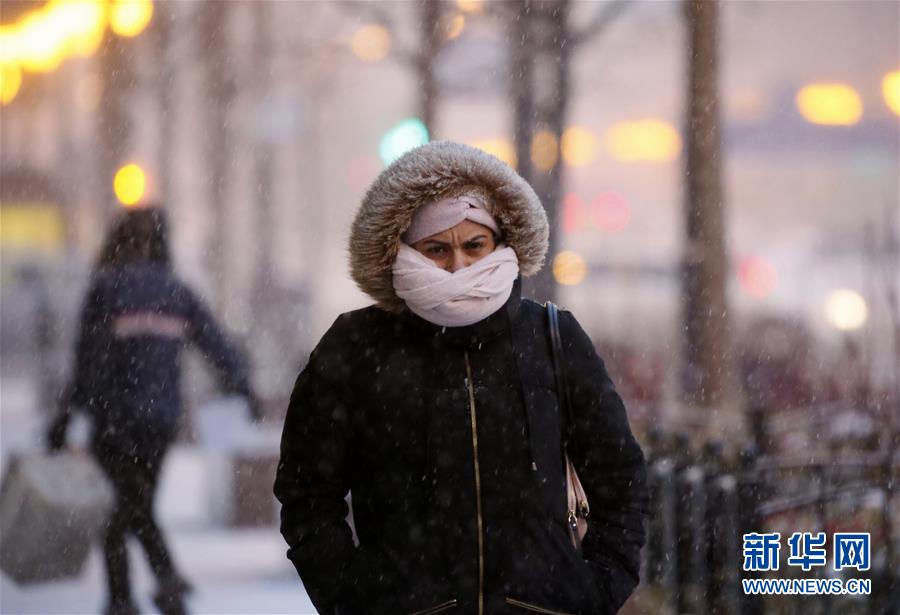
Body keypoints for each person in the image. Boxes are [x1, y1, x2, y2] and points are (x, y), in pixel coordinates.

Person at [274, 141, 648, 615]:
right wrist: (351, 599)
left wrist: (593, 592)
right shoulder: (355, 347)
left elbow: (622, 477)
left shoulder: (551, 338)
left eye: (475, 245)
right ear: (402, 250)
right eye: (436, 249)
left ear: (501, 243)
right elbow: (307, 493)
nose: (458, 266)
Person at [46, 206, 260, 615]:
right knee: (130, 506)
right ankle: (147, 591)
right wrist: (241, 386)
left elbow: (87, 360)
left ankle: (140, 592)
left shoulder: (105, 290)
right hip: (160, 420)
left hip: (114, 419)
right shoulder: (176, 292)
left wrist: (67, 413)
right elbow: (216, 344)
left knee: (124, 508)